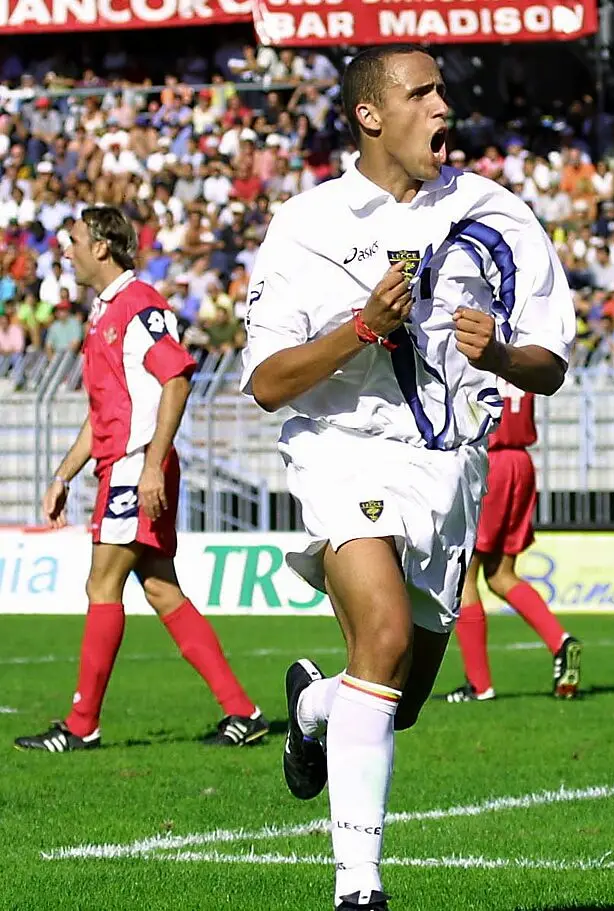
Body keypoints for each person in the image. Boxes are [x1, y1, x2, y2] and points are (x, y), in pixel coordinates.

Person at [241, 46, 574, 911]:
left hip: (451, 467)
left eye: (442, 92)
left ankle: (313, 708)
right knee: (382, 638)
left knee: (398, 696)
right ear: (370, 114)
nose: (442, 109)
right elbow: (269, 383)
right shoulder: (307, 223)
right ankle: (360, 888)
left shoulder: (494, 212)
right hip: (341, 446)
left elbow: (551, 363)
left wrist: (496, 351)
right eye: (421, 93)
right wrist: (361, 327)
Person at [15, 206, 266, 753]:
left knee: (102, 585)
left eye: (75, 239)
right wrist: (64, 474)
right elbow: (103, 412)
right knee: (160, 587)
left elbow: (176, 378)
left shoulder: (138, 306)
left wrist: (152, 463)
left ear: (102, 247)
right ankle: (243, 712)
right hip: (123, 464)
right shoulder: (106, 313)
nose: (68, 249)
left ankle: (81, 726)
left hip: (135, 467)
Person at [445, 383, 582, 703]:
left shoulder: (478, 348)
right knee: (500, 574)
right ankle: (560, 641)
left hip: (488, 463)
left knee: (466, 575)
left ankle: (479, 685)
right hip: (521, 464)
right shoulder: (519, 350)